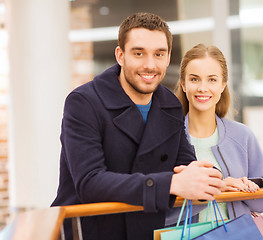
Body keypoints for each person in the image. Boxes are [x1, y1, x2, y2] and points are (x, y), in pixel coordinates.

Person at [51, 13, 225, 240]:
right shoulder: (83, 102)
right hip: (89, 231)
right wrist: (172, 183)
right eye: (139, 53)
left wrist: (211, 177)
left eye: (159, 54)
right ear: (120, 55)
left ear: (168, 56)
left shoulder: (169, 105)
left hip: (145, 230)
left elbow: (184, 164)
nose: (150, 65)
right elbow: (90, 182)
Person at [169, 43, 263, 223]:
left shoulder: (243, 136)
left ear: (223, 84)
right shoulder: (166, 139)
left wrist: (248, 189)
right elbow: (160, 211)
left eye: (212, 79)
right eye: (194, 79)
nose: (203, 88)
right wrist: (217, 189)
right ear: (184, 84)